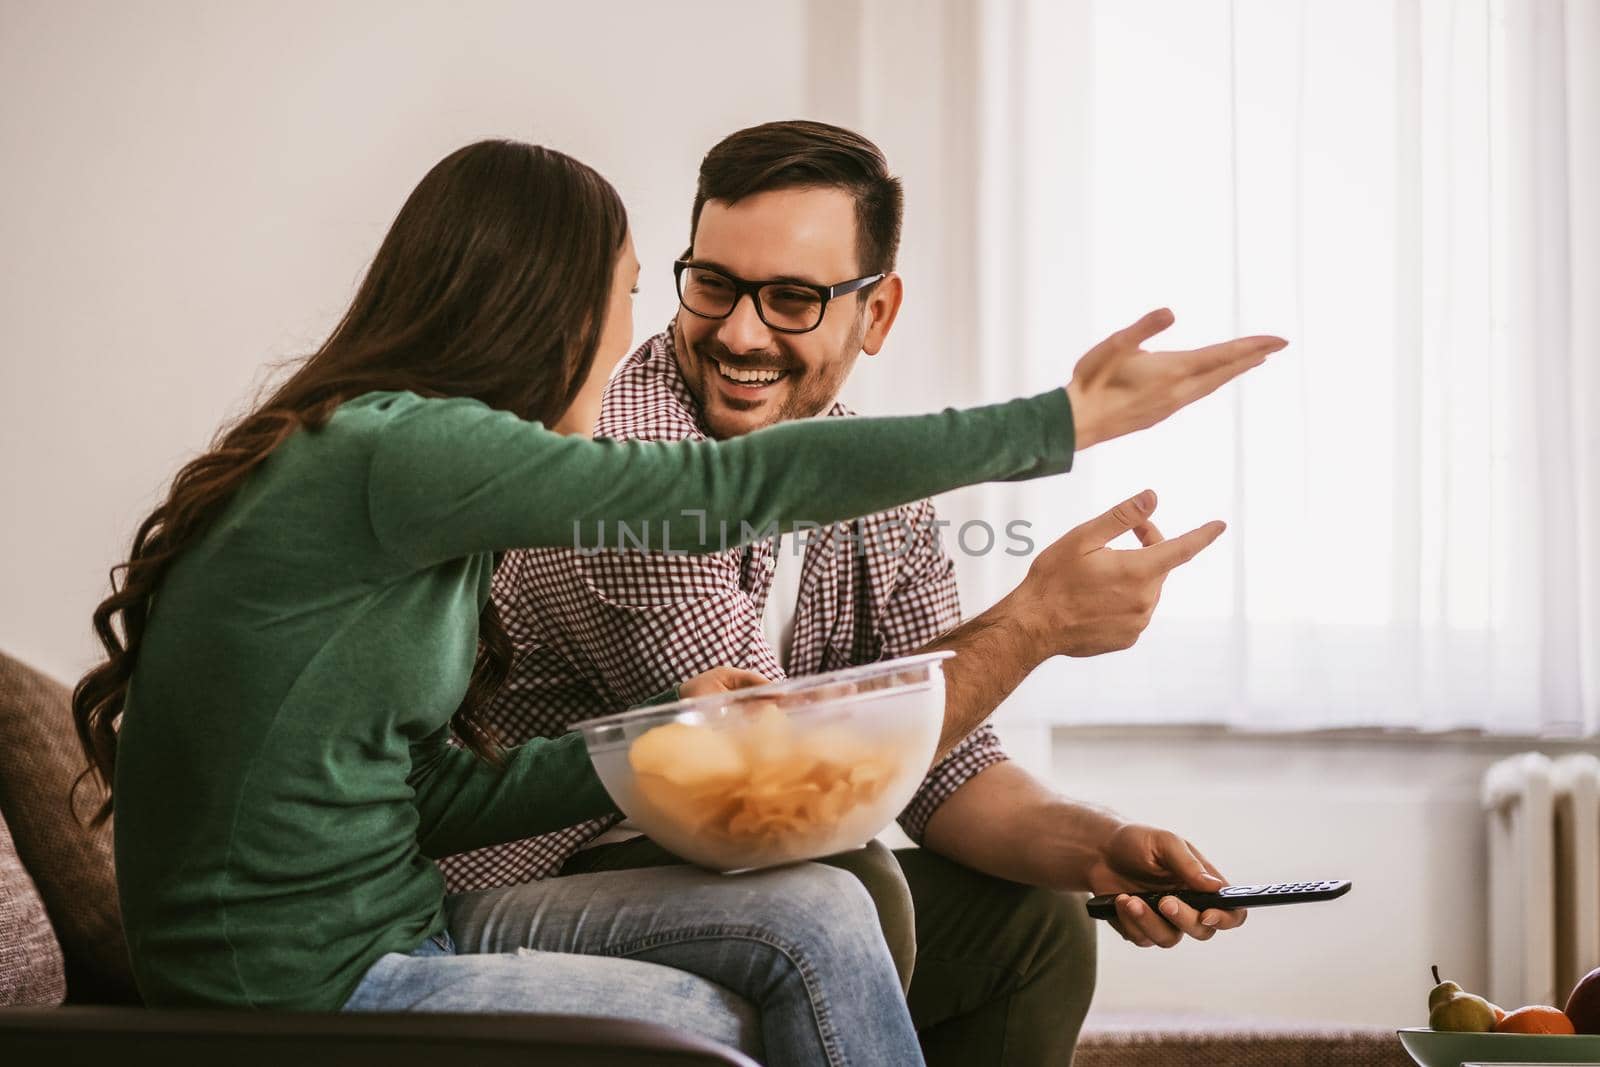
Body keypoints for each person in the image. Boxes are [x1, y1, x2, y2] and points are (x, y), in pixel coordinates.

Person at [68, 139, 1276, 1065]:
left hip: (394, 922)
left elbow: (419, 790)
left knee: (849, 913)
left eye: (793, 298)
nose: (652, 328)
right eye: (654, 286)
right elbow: (726, 510)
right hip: (306, 982)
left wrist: (656, 738)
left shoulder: (433, 487)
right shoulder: (403, 453)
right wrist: (1059, 429)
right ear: (545, 305)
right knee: (759, 965)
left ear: (875, 309)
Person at [440, 122, 1276, 1066]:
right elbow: (769, 776)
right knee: (844, 881)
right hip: (531, 879)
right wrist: (1035, 621)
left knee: (1036, 925)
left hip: (714, 866)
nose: (740, 333)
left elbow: (948, 770)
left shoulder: (866, 481)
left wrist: (1102, 848)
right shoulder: (628, 466)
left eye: (792, 298)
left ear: (876, 314)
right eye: (713, 284)